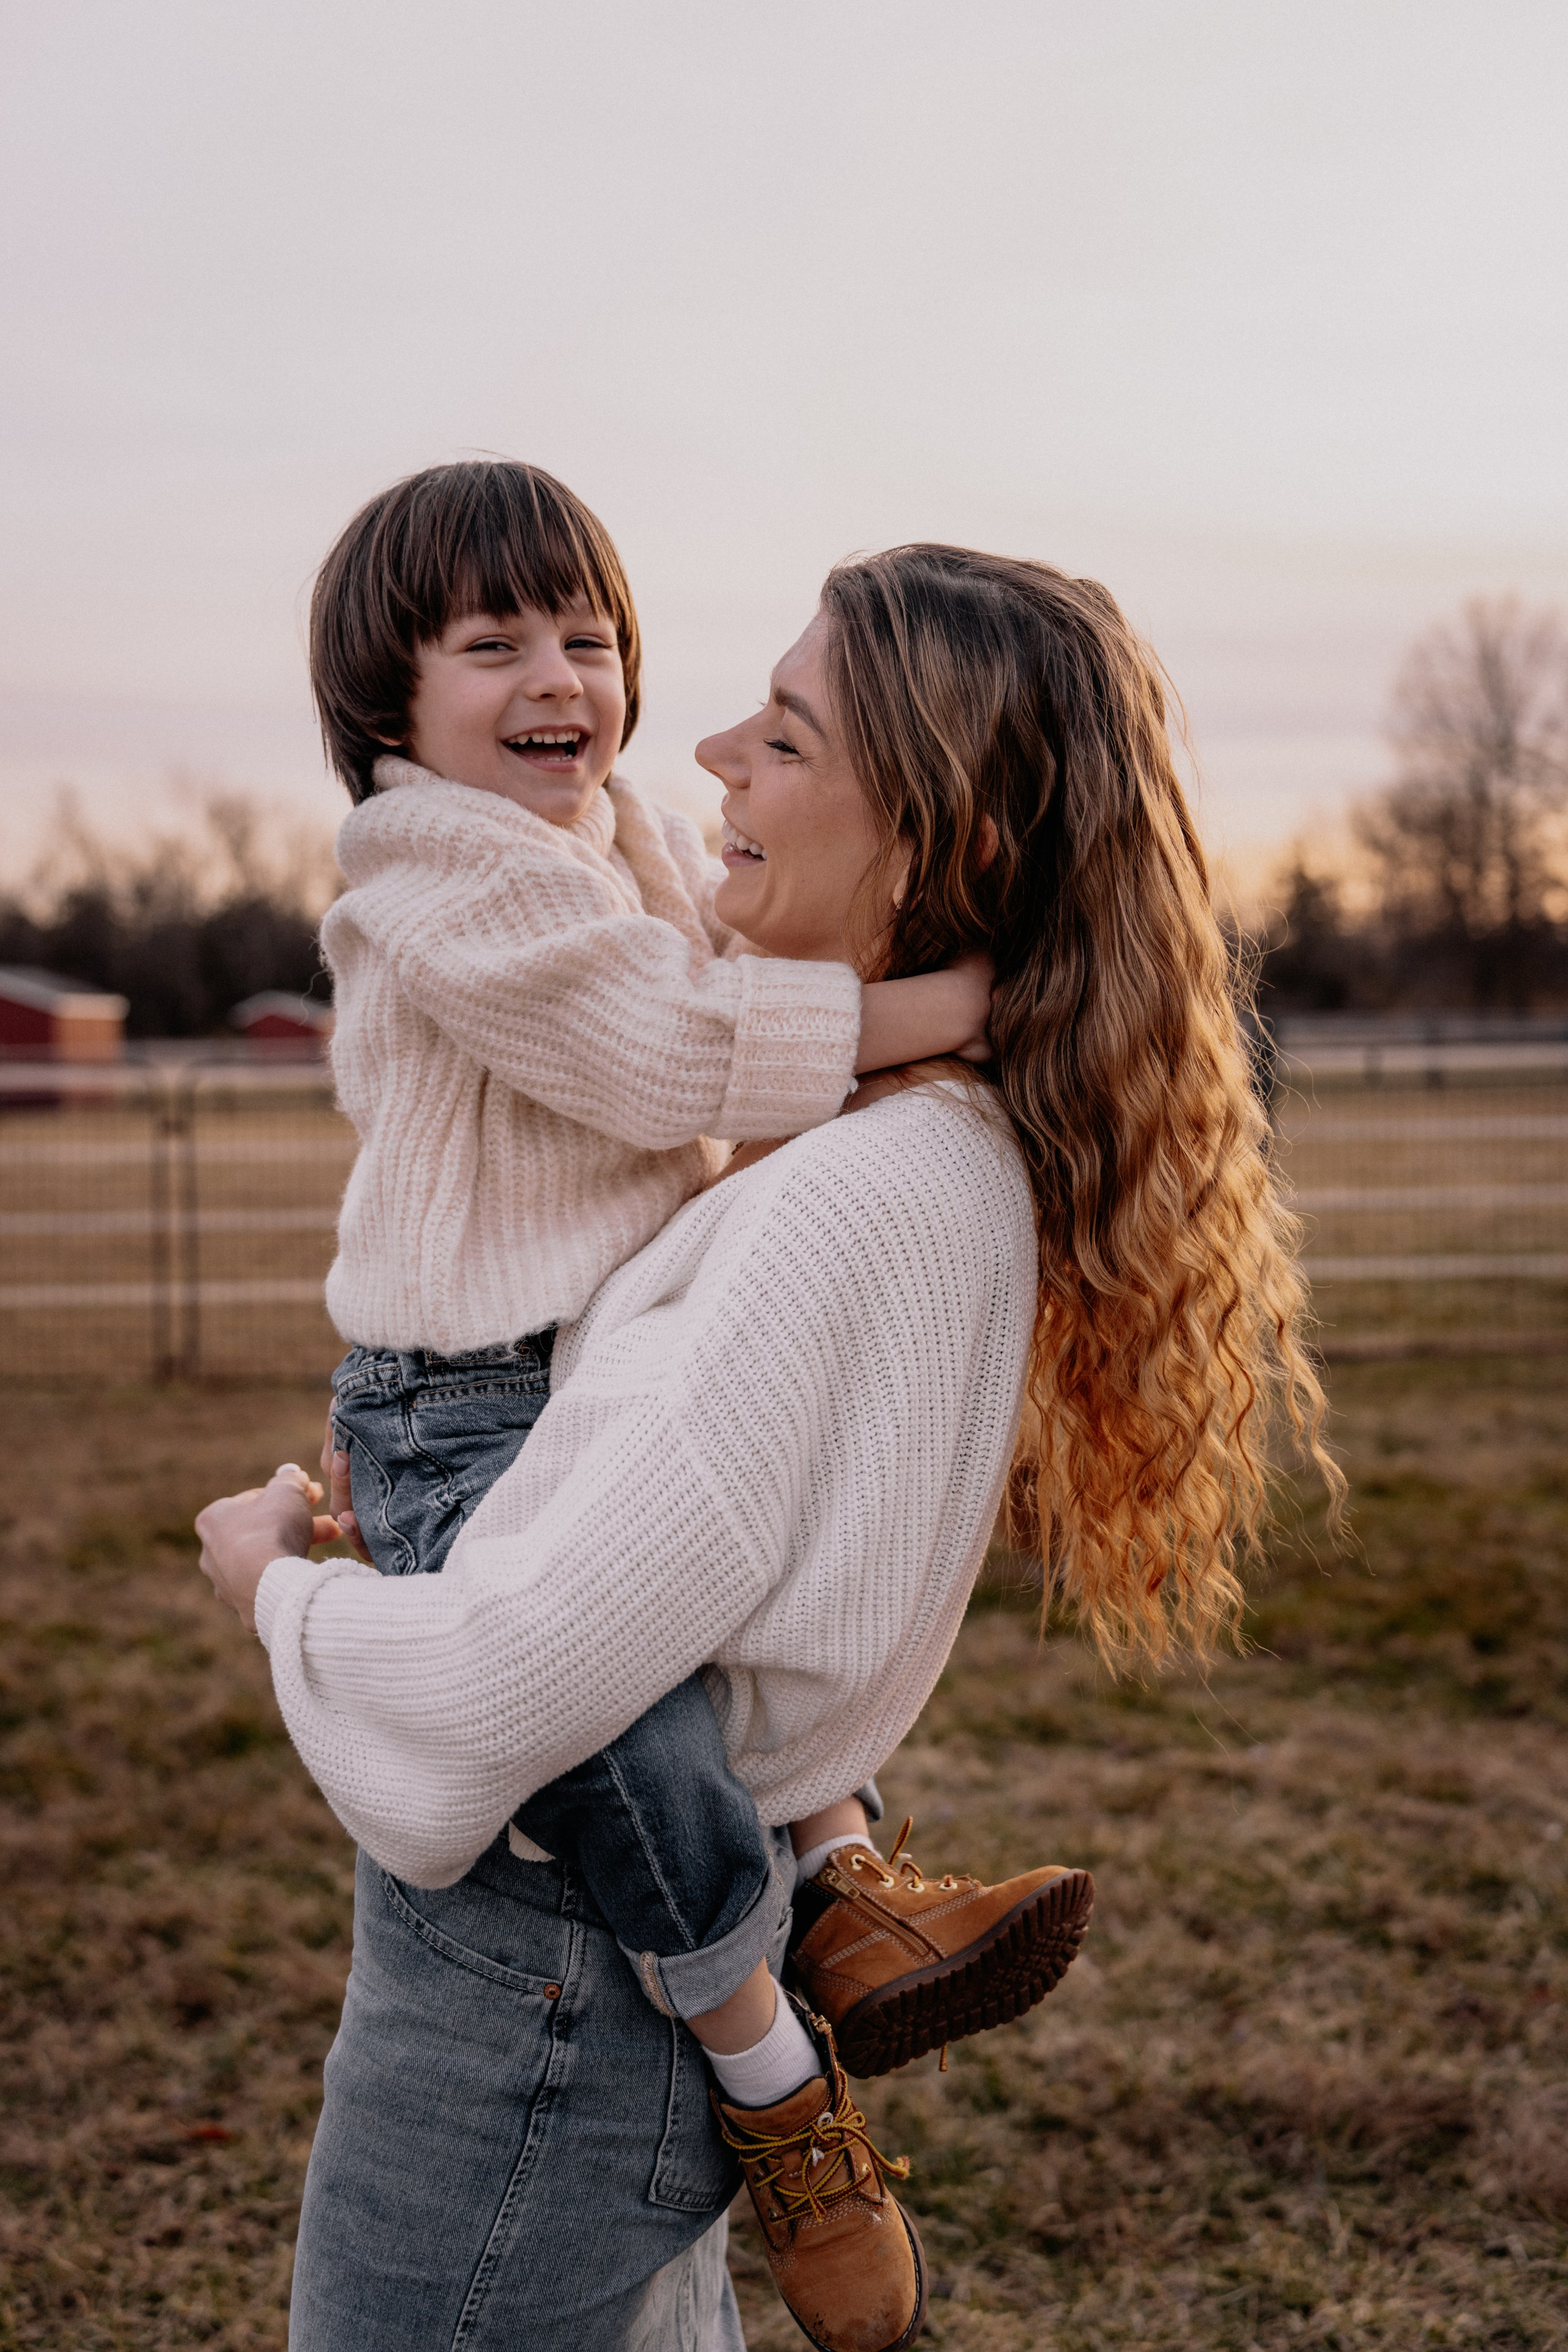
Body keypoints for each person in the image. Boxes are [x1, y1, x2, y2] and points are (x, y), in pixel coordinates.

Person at [197, 542, 1340, 2351]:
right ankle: (832, 1899)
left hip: (544, 1993)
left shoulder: (849, 1202)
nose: (710, 750)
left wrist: (276, 1600)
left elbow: (512, 1685)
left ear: (933, 842)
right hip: (585, 1989)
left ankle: (793, 2023)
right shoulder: (903, 1152)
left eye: (787, 739)